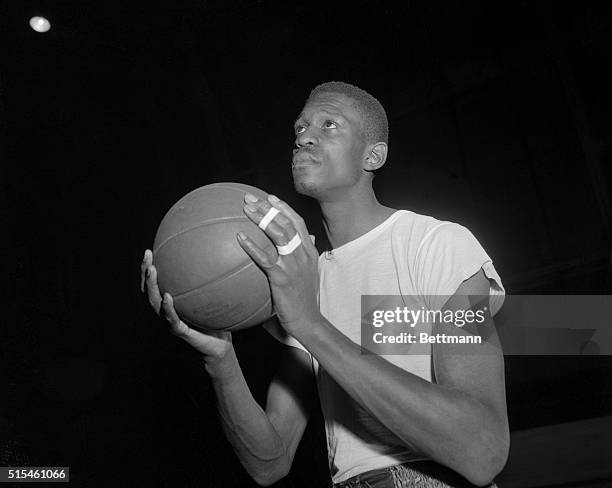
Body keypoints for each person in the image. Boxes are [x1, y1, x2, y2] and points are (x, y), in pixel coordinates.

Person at [141, 81, 509, 487]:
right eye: (299, 129)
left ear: (373, 155)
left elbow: (483, 449)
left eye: (329, 124)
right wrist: (221, 360)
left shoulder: (436, 244)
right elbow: (270, 463)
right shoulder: (303, 276)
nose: (304, 138)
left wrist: (310, 323)